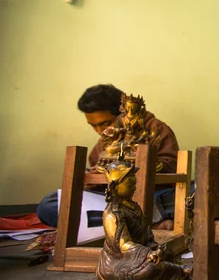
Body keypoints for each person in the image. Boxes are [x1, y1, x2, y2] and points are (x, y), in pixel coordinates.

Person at [36, 84, 179, 231]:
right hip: (114, 200)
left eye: (105, 123)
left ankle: (122, 224)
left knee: (194, 192)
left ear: (122, 113)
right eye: (93, 126)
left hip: (151, 196)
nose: (99, 131)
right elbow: (95, 170)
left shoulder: (156, 129)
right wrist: (91, 178)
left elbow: (173, 167)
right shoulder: (107, 138)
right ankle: (144, 225)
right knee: (49, 204)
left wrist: (141, 163)